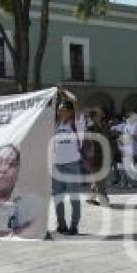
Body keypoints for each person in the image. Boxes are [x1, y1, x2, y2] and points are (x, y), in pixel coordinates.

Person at [52, 92, 85, 235]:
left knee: (74, 198)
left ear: (70, 112)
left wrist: (64, 92)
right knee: (58, 198)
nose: (60, 112)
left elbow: (76, 101)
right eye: (59, 110)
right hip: (57, 166)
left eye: (63, 110)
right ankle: (61, 225)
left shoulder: (77, 123)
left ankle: (74, 226)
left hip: (72, 165)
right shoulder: (56, 125)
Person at [84, 107, 111, 207]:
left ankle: (91, 198)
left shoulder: (104, 125)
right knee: (100, 179)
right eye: (99, 114)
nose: (102, 115)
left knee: (98, 179)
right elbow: (88, 143)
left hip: (104, 156)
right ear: (94, 117)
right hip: (94, 157)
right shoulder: (90, 128)